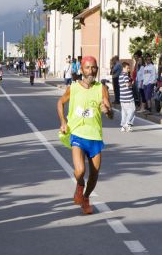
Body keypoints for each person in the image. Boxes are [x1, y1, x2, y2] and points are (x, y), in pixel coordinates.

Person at [57, 56, 113, 215]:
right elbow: (60, 102)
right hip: (77, 134)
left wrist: (107, 111)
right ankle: (80, 186)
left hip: (95, 137)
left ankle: (86, 198)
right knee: (80, 170)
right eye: (87, 68)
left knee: (94, 175)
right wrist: (63, 121)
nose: (91, 71)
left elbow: (110, 113)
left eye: (94, 67)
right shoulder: (73, 88)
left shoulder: (101, 88)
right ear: (81, 70)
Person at [119, 62, 135, 132]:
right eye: (127, 68)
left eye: (129, 68)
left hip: (122, 98)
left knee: (124, 113)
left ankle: (123, 126)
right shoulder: (125, 75)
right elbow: (127, 84)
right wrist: (131, 83)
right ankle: (128, 124)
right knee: (132, 110)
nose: (128, 70)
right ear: (123, 68)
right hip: (128, 97)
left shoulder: (120, 75)